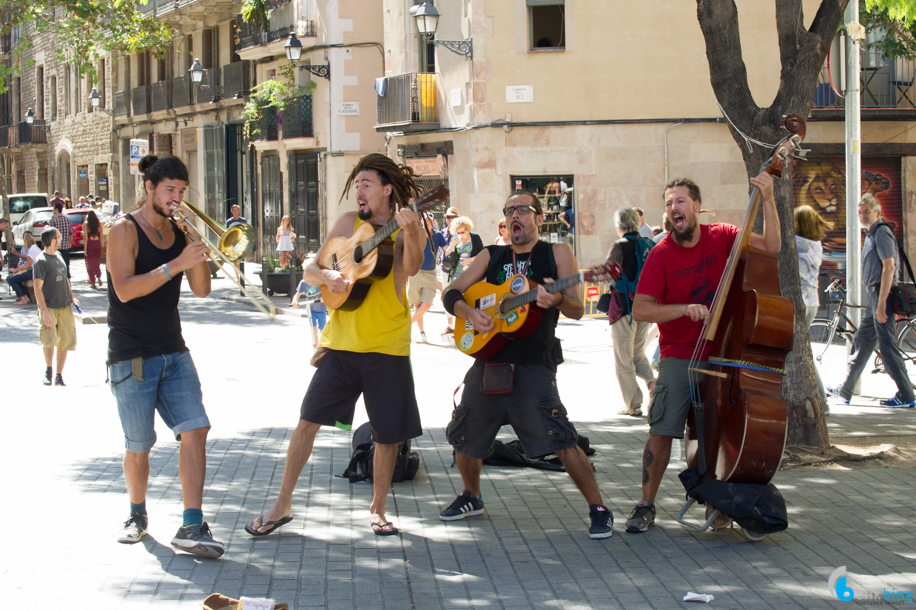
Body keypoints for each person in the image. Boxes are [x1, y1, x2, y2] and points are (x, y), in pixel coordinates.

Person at [245, 153, 425, 538]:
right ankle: (282, 504)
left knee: (387, 434)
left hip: (387, 345)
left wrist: (410, 231)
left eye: (366, 184)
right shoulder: (348, 224)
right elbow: (311, 266)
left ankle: (377, 509)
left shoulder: (408, 226)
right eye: (356, 184)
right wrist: (326, 274)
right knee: (307, 421)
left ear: (387, 190)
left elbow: (410, 268)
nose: (358, 190)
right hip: (340, 344)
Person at [439, 192, 614, 539]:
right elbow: (452, 293)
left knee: (562, 438)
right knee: (465, 433)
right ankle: (471, 496)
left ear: (536, 217)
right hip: (490, 359)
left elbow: (577, 309)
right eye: (509, 211)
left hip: (535, 363)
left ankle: (598, 507)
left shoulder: (557, 253)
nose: (515, 216)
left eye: (522, 210)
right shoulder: (492, 255)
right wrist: (471, 313)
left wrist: (559, 298)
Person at [626, 173, 781, 534]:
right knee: (663, 429)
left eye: (680, 201)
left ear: (697, 206)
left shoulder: (723, 235)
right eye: (668, 203)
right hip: (682, 355)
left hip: (727, 353)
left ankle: (723, 501)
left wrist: (769, 198)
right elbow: (641, 309)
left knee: (721, 432)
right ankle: (646, 504)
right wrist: (683, 309)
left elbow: (772, 245)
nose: (673, 208)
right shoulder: (661, 254)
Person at [107, 155, 225, 557]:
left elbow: (203, 291)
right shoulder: (124, 230)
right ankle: (136, 514)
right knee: (139, 445)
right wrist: (174, 265)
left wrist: (197, 247)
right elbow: (124, 289)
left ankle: (192, 524)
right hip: (132, 356)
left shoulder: (179, 232)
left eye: (181, 192)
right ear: (149, 189)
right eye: (169, 191)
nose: (176, 199)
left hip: (173, 350)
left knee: (196, 429)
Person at [827, 195, 915, 408]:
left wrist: (882, 302)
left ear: (877, 212)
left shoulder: (881, 232)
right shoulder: (872, 234)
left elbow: (890, 267)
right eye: (860, 212)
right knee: (863, 340)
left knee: (887, 346)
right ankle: (846, 390)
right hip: (875, 296)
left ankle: (906, 395)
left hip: (881, 295)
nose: (862, 215)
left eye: (866, 211)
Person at [606, 208, 656, 417]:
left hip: (624, 307)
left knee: (623, 358)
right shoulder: (649, 245)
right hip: (646, 306)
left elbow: (609, 272)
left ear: (620, 226)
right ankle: (653, 382)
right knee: (637, 352)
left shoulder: (619, 246)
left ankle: (632, 404)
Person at [795, 205, 833, 414]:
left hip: (801, 302)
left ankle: (822, 401)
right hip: (812, 301)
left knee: (803, 352)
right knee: (802, 349)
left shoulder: (797, 243)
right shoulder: (816, 244)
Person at [33, 227, 78, 386]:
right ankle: (49, 370)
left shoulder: (59, 256)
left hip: (65, 306)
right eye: (59, 237)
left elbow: (65, 279)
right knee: (49, 340)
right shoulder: (41, 261)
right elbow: (37, 288)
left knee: (65, 341)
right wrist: (44, 312)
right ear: (53, 241)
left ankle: (59, 375)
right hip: (50, 308)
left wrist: (72, 297)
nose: (61, 239)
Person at [442, 216, 484, 335]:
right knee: (458, 303)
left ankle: (473, 328)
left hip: (471, 276)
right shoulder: (455, 238)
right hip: (456, 276)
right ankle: (459, 330)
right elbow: (447, 253)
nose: (461, 234)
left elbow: (483, 255)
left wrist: (470, 260)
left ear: (468, 229)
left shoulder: (475, 237)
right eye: (458, 232)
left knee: (470, 301)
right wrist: (453, 244)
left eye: (463, 232)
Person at [410, 213, 448, 343]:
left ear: (433, 222)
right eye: (424, 220)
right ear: (421, 222)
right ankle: (422, 334)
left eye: (429, 221)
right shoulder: (416, 233)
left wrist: (454, 244)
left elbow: (446, 250)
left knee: (427, 305)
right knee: (417, 305)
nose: (427, 223)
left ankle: (406, 324)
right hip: (415, 272)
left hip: (430, 273)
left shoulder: (438, 235)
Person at [291, 280, 328, 348]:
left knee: (322, 330)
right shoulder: (303, 282)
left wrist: (324, 298)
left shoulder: (321, 281)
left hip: (321, 309)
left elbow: (329, 292)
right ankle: (316, 348)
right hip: (310, 309)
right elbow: (297, 294)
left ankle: (323, 347)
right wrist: (294, 301)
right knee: (314, 330)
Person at [10, 232, 42, 305]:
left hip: (34, 271)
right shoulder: (35, 247)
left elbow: (27, 265)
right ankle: (25, 297)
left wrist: (18, 269)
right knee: (16, 278)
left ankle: (22, 299)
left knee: (13, 279)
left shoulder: (31, 249)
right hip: (35, 270)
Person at [49, 202, 73, 278]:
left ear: (56, 209)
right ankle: (67, 280)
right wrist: (70, 243)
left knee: (57, 265)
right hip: (66, 246)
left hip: (57, 247)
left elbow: (51, 234)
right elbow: (70, 233)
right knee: (66, 264)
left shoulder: (54, 221)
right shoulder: (67, 220)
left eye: (53, 208)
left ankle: (59, 280)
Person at [84, 210, 104, 289]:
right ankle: (99, 276)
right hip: (97, 244)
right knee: (97, 263)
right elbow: (101, 237)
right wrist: (102, 247)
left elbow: (85, 238)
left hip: (90, 244)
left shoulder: (86, 224)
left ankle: (93, 282)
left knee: (90, 264)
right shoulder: (99, 224)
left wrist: (85, 249)